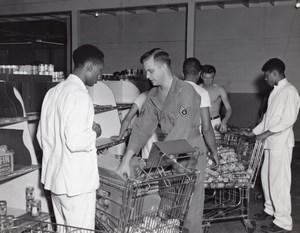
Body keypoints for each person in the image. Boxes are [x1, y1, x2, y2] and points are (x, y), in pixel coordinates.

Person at [117, 48, 205, 233]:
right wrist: (126, 159)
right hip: (168, 152)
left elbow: (180, 130)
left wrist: (153, 165)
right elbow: (142, 128)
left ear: (164, 67)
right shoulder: (154, 95)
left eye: (151, 71)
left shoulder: (185, 91)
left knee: (189, 206)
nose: (147, 76)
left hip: (190, 152)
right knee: (167, 202)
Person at [37, 44, 103, 229]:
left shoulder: (53, 92)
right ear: (89, 65)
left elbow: (41, 137)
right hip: (77, 185)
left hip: (56, 181)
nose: (99, 77)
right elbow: (75, 142)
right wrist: (95, 132)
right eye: (99, 70)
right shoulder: (80, 95)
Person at [241, 58, 300, 233]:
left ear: (275, 73)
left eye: (267, 75)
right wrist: (253, 132)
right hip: (270, 143)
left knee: (278, 182)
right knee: (267, 178)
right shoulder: (275, 91)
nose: (265, 79)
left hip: (280, 144)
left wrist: (265, 134)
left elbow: (288, 120)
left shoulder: (290, 91)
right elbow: (268, 118)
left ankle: (283, 221)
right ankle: (270, 209)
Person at [182, 57, 219, 166]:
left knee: (176, 178)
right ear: (199, 74)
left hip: (172, 143)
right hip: (193, 142)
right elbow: (206, 129)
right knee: (194, 178)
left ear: (183, 72)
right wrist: (214, 152)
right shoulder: (201, 92)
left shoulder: (172, 90)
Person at [110, 91, 159, 159]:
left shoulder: (144, 95)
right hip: (153, 142)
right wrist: (120, 136)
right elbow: (128, 118)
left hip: (156, 142)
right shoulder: (144, 96)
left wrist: (120, 136)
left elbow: (128, 118)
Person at [199, 65, 232, 137]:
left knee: (216, 146)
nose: (208, 81)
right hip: (200, 122)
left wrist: (224, 121)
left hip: (214, 121)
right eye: (205, 78)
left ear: (214, 77)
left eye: (210, 78)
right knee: (198, 147)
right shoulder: (197, 89)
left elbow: (229, 109)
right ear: (201, 76)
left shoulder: (219, 89)